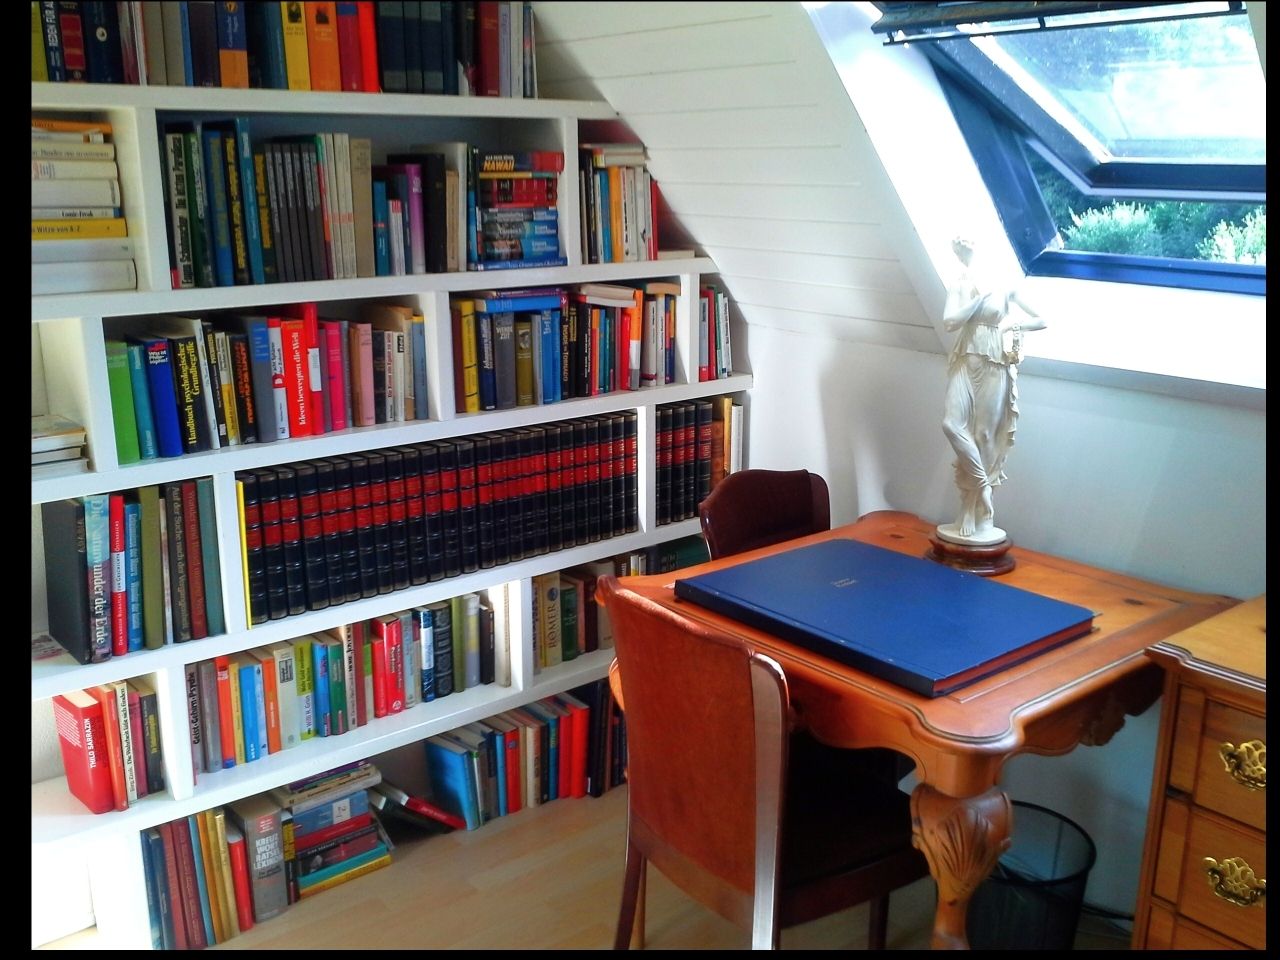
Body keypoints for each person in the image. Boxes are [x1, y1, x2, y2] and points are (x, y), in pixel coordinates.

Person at [938, 237, 1046, 544]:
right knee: (951, 424)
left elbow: (1041, 319)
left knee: (984, 435)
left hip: (996, 360)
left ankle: (970, 508)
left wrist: (1014, 327)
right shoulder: (961, 283)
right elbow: (949, 321)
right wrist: (976, 301)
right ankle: (983, 486)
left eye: (967, 246)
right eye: (959, 249)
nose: (963, 251)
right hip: (966, 356)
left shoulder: (1006, 286)